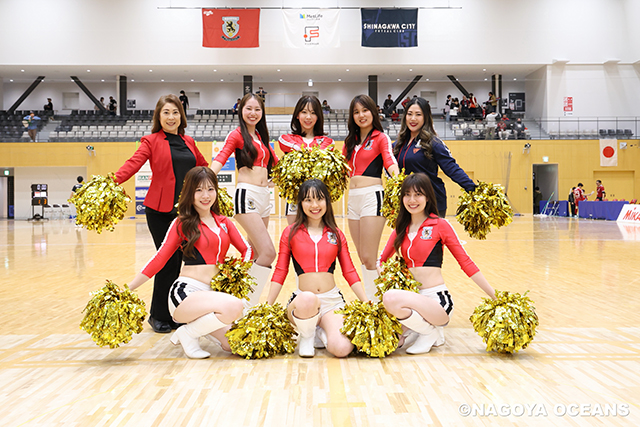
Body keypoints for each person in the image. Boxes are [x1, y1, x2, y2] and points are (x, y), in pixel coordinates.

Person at [127, 167, 248, 359]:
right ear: (189, 193)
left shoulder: (224, 222)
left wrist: (237, 275)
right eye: (198, 190)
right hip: (185, 294)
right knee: (234, 306)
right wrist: (129, 288)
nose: (205, 195)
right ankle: (188, 333)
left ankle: (197, 329)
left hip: (212, 296)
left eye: (210, 189)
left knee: (237, 344)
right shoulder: (182, 223)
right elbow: (160, 259)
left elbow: (247, 250)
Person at [115, 94, 208, 333]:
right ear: (158, 116)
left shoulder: (189, 142)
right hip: (160, 211)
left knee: (184, 264)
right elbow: (133, 164)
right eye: (166, 112)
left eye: (175, 112)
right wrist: (111, 182)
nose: (171, 117)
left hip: (186, 213)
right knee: (167, 262)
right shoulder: (151, 140)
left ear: (181, 116)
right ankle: (158, 315)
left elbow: (203, 168)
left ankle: (175, 312)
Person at [380, 173, 496, 354]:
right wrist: (385, 274)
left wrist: (495, 296)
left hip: (437, 301)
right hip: (411, 301)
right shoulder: (401, 227)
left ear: (427, 197)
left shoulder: (440, 225)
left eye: (418, 194)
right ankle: (425, 330)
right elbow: (381, 260)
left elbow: (466, 262)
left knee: (390, 298)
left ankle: (429, 332)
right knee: (392, 341)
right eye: (407, 194)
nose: (412, 200)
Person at [267, 179, 368, 357]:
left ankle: (320, 331)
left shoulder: (336, 234)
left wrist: (366, 302)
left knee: (342, 349)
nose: (314, 205)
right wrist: (267, 306)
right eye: (308, 200)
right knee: (308, 298)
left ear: (327, 202)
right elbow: (280, 271)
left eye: (319, 199)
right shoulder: (290, 232)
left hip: (331, 302)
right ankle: (307, 335)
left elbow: (349, 271)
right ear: (300, 203)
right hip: (302, 303)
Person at [211, 93, 278, 307]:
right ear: (241, 111)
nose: (253, 113)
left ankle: (236, 301)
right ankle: (246, 303)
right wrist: (205, 178)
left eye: (257, 109)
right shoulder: (237, 135)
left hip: (264, 197)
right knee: (268, 252)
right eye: (248, 108)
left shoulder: (262, 137)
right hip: (246, 194)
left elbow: (277, 167)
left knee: (255, 252)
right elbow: (221, 157)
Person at [343, 94, 399, 301]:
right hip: (353, 199)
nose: (361, 115)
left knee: (369, 257)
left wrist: (398, 179)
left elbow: (389, 161)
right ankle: (372, 302)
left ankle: (379, 303)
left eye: (365, 110)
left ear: (373, 112)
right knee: (363, 257)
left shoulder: (380, 138)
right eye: (356, 112)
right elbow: (341, 169)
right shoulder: (349, 142)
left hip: (372, 197)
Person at [394, 97, 476, 218]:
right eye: (409, 114)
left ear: (426, 117)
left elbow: (452, 168)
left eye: (418, 114)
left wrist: (475, 190)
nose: (413, 118)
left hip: (432, 202)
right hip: (408, 203)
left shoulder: (434, 143)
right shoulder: (398, 145)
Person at [278, 95, 333, 225]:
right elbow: (284, 143)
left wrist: (302, 151)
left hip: (318, 200)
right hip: (294, 198)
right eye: (304, 112)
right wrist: (303, 149)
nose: (308, 117)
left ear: (318, 117)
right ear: (297, 115)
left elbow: (322, 151)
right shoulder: (287, 138)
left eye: (313, 113)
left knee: (318, 233)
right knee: (295, 234)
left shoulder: (327, 141)